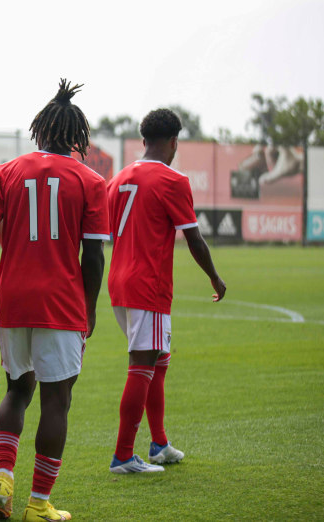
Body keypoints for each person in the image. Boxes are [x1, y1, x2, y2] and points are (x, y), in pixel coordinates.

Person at [0, 80, 109, 522]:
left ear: (41, 129)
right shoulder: (90, 180)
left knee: (16, 388)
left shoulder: (8, 171)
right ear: (75, 135)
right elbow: (93, 255)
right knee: (57, 400)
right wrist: (88, 308)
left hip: (13, 297)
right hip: (61, 302)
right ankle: (38, 504)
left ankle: (2, 478)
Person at [106, 108, 227, 474]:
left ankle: (158, 443)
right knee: (142, 364)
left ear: (143, 140)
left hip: (119, 282)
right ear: (174, 142)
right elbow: (195, 239)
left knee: (157, 360)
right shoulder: (172, 179)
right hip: (149, 285)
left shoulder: (118, 179)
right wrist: (215, 278)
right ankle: (124, 455)